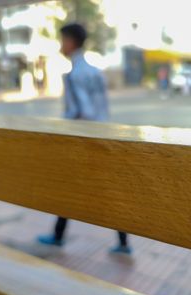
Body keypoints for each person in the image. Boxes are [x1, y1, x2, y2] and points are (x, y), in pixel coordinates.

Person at [37, 23, 132, 254]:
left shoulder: (73, 74)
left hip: (83, 140)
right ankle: (123, 243)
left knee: (68, 189)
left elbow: (81, 111)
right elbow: (101, 108)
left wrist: (62, 126)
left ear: (70, 42)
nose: (61, 45)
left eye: (62, 40)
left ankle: (59, 236)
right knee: (106, 191)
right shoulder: (95, 72)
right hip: (103, 136)